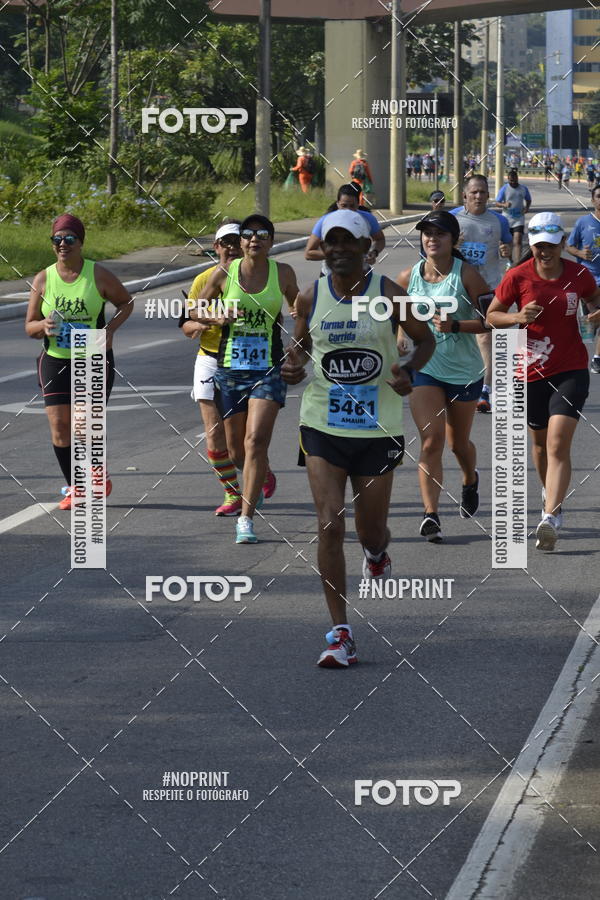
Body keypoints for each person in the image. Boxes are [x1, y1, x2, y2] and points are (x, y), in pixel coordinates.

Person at [282, 209, 435, 667]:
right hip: (322, 423)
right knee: (330, 523)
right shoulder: (311, 296)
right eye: (332, 242)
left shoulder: (388, 294)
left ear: (367, 247)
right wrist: (293, 366)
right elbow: (302, 347)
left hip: (377, 427)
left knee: (370, 529)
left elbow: (425, 340)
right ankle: (340, 633)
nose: (339, 249)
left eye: (349, 241)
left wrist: (409, 371)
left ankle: (376, 551)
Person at [487, 212, 600, 551]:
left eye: (551, 245)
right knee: (538, 446)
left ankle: (550, 516)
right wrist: (516, 317)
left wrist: (596, 313)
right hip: (529, 371)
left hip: (570, 369)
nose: (545, 252)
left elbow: (594, 299)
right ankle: (551, 494)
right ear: (532, 245)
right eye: (539, 246)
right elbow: (491, 316)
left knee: (557, 443)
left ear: (562, 243)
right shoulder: (517, 276)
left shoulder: (578, 274)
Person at [196, 214, 298, 543]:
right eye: (248, 234)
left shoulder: (283, 273)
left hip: (268, 369)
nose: (255, 239)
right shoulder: (224, 273)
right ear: (241, 242)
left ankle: (246, 518)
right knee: (236, 450)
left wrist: (299, 341)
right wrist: (216, 316)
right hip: (229, 369)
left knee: (255, 442)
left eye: (262, 234)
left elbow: (300, 309)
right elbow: (194, 311)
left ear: (271, 241)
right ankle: (259, 477)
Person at [25, 214, 132, 509]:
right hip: (55, 360)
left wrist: (109, 330)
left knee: (84, 425)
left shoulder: (98, 275)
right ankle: (77, 487)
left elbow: (126, 302)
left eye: (69, 239)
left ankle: (97, 472)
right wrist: (43, 326)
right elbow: (29, 326)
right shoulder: (43, 279)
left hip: (93, 359)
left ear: (80, 243)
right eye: (57, 239)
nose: (63, 244)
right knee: (60, 427)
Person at [396, 211, 490, 542]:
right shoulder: (408, 277)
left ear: (453, 239)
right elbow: (394, 312)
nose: (431, 239)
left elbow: (494, 320)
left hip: (464, 371)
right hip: (426, 369)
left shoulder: (468, 275)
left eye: (439, 233)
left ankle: (470, 479)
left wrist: (456, 325)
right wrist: (400, 334)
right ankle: (430, 514)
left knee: (458, 444)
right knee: (431, 440)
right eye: (427, 233)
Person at [181, 221, 276, 514]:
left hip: (250, 362)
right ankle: (233, 494)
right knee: (214, 433)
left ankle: (259, 470)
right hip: (211, 358)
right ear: (216, 247)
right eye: (226, 243)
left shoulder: (261, 276)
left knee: (246, 437)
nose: (233, 247)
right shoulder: (205, 279)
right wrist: (211, 321)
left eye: (237, 241)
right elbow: (186, 323)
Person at [451, 174, 512, 413]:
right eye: (474, 192)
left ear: (488, 195)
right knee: (457, 336)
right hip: (457, 286)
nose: (478, 196)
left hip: (488, 287)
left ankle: (485, 390)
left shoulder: (499, 221)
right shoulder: (453, 219)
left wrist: (506, 250)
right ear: (465, 195)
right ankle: (459, 382)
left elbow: (508, 246)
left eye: (482, 192)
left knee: (486, 336)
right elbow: (431, 251)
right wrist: (452, 246)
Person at [305, 183, 385, 274]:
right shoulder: (326, 221)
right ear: (338, 204)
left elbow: (380, 239)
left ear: (358, 204)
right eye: (344, 206)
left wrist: (373, 252)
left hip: (361, 273)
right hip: (331, 275)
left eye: (352, 206)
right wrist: (335, 254)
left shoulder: (367, 219)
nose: (348, 210)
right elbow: (308, 253)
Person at [566, 184, 600, 374]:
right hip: (587, 279)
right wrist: (580, 253)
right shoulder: (583, 222)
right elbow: (569, 246)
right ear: (593, 200)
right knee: (589, 326)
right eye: (599, 196)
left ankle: (597, 358)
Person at [494, 169, 532, 264]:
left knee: (517, 240)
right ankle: (510, 261)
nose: (513, 182)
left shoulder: (523, 188)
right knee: (508, 242)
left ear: (517, 178)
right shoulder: (504, 189)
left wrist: (527, 208)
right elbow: (497, 203)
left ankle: (518, 263)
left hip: (519, 218)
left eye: (515, 180)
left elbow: (528, 199)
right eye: (511, 181)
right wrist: (504, 204)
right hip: (507, 218)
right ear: (508, 179)